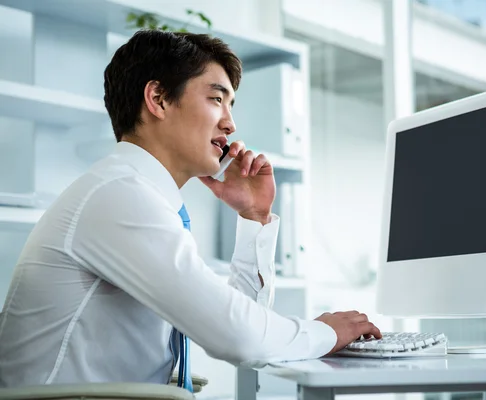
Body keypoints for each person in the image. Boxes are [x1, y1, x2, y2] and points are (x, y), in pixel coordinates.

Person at [0, 30, 381, 389]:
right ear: (159, 100)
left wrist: (254, 217)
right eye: (217, 99)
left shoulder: (140, 195)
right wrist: (327, 331)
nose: (230, 124)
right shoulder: (119, 195)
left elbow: (239, 325)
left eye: (230, 105)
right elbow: (240, 338)